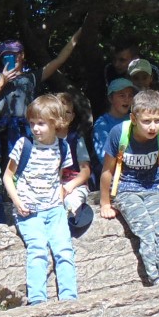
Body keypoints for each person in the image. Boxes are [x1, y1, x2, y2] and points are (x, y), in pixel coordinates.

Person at [99, 88, 159, 282]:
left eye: (158, 121)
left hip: (153, 187)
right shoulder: (119, 133)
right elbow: (107, 170)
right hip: (125, 189)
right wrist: (105, 203)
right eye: (146, 121)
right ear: (134, 119)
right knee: (145, 227)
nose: (152, 127)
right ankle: (154, 275)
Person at [4, 95, 78, 305]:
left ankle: (69, 297)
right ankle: (37, 300)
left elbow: (59, 176)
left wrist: (61, 200)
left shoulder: (63, 147)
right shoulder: (24, 145)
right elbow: (8, 176)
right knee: (37, 249)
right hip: (29, 210)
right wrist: (18, 202)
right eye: (32, 123)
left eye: (41, 124)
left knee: (64, 250)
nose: (35, 129)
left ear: (56, 123)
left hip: (55, 210)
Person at [0, 32, 80, 166]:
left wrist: (79, 33)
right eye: (5, 56)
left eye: (14, 54)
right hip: (0, 129)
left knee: (25, 163)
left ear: (22, 55)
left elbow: (58, 60)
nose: (10, 58)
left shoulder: (31, 78)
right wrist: (2, 81)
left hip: (26, 128)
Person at [54, 92, 95, 236]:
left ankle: (71, 227)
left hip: (74, 184)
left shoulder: (76, 139)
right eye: (58, 112)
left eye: (67, 112)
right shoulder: (45, 139)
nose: (62, 116)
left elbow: (85, 171)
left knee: (71, 202)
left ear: (72, 116)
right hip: (52, 184)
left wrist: (70, 186)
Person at [93, 77, 135, 160]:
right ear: (110, 98)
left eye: (130, 95)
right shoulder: (102, 124)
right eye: (122, 95)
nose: (127, 99)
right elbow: (105, 157)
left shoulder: (134, 120)